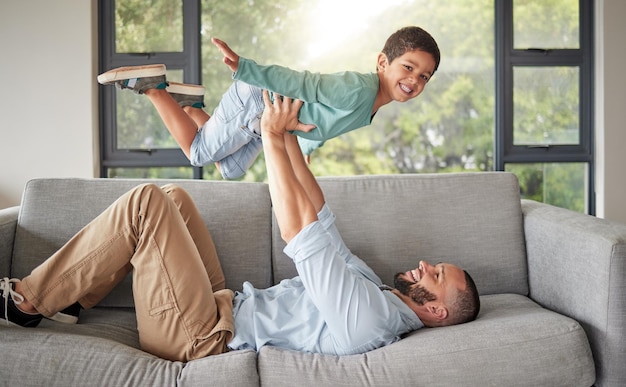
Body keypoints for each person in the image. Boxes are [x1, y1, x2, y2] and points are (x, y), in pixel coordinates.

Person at [0, 92, 479, 362]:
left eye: (435, 275)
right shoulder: (373, 288)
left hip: (202, 338)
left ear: (435, 312)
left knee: (146, 202)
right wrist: (288, 136)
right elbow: (318, 213)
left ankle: (26, 301)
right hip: (219, 306)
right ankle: (76, 302)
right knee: (173, 199)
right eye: (435, 265)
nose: (424, 265)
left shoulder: (370, 319)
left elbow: (299, 234)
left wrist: (269, 138)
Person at [97, 26, 440, 179]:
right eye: (408, 68)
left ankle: (190, 105)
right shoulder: (359, 89)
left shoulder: (371, 106)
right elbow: (305, 82)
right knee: (199, 154)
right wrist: (245, 67)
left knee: (229, 170)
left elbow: (322, 122)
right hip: (260, 102)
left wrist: (306, 149)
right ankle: (154, 87)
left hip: (272, 120)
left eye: (424, 76)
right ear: (383, 62)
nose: (413, 80)